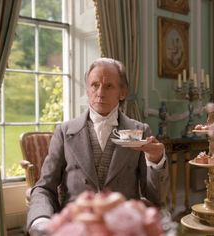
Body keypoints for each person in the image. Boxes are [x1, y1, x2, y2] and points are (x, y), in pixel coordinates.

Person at [27, 57, 170, 234]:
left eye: (109, 86)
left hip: (122, 229)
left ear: (122, 92)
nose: (100, 92)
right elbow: (44, 187)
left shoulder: (141, 131)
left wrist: (156, 161)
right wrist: (41, 220)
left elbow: (156, 197)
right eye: (95, 85)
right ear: (87, 89)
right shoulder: (64, 132)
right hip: (76, 227)